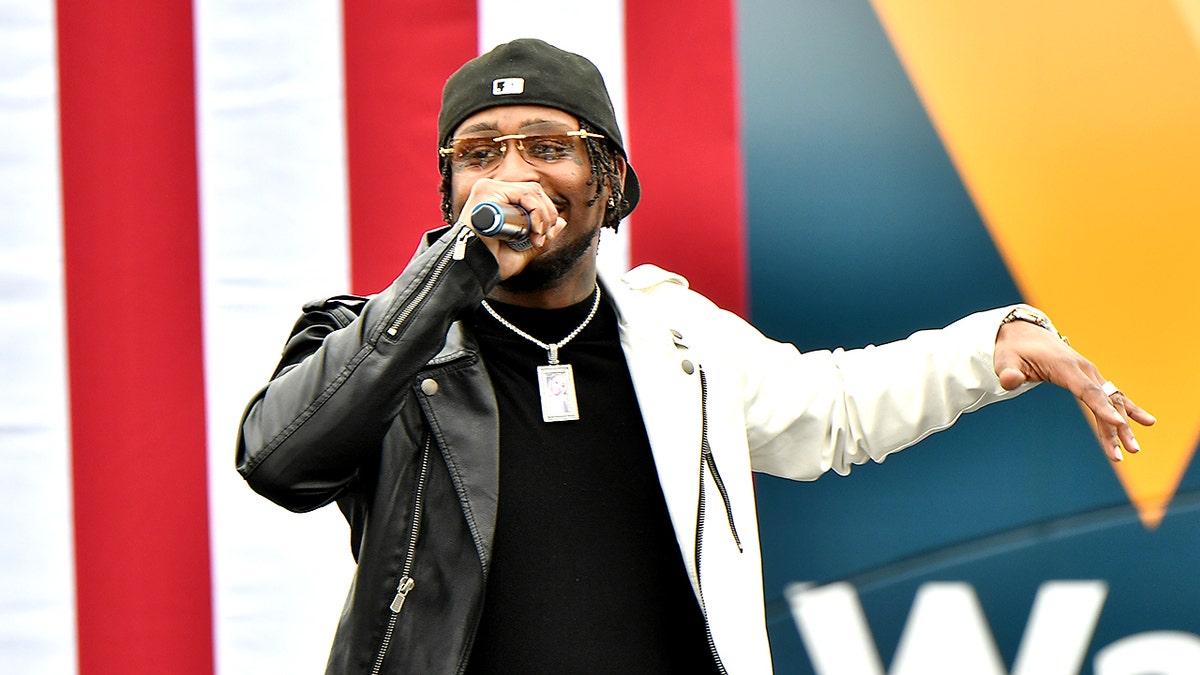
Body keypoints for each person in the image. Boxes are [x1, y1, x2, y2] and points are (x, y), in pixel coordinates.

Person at [236, 38, 1154, 674]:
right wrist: (444, 282)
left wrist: (998, 344)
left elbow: (828, 412)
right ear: (449, 191)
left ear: (609, 184)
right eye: (479, 153)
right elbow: (280, 460)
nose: (511, 173)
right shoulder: (381, 347)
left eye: (548, 146)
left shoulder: (675, 338)